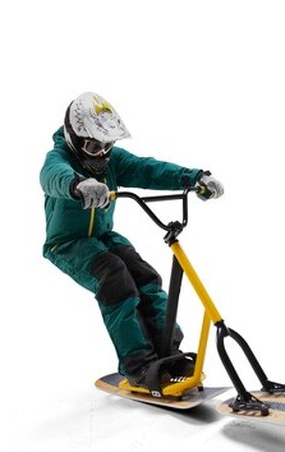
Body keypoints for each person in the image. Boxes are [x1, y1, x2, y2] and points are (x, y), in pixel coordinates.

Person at [40, 92, 224, 388]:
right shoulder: (59, 160)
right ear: (74, 138)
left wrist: (193, 178)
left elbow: (148, 169)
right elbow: (53, 176)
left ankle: (168, 353)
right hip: (67, 243)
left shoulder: (111, 161)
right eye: (93, 146)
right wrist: (78, 185)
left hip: (102, 236)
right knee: (115, 278)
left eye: (107, 146)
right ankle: (138, 364)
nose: (102, 154)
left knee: (145, 276)